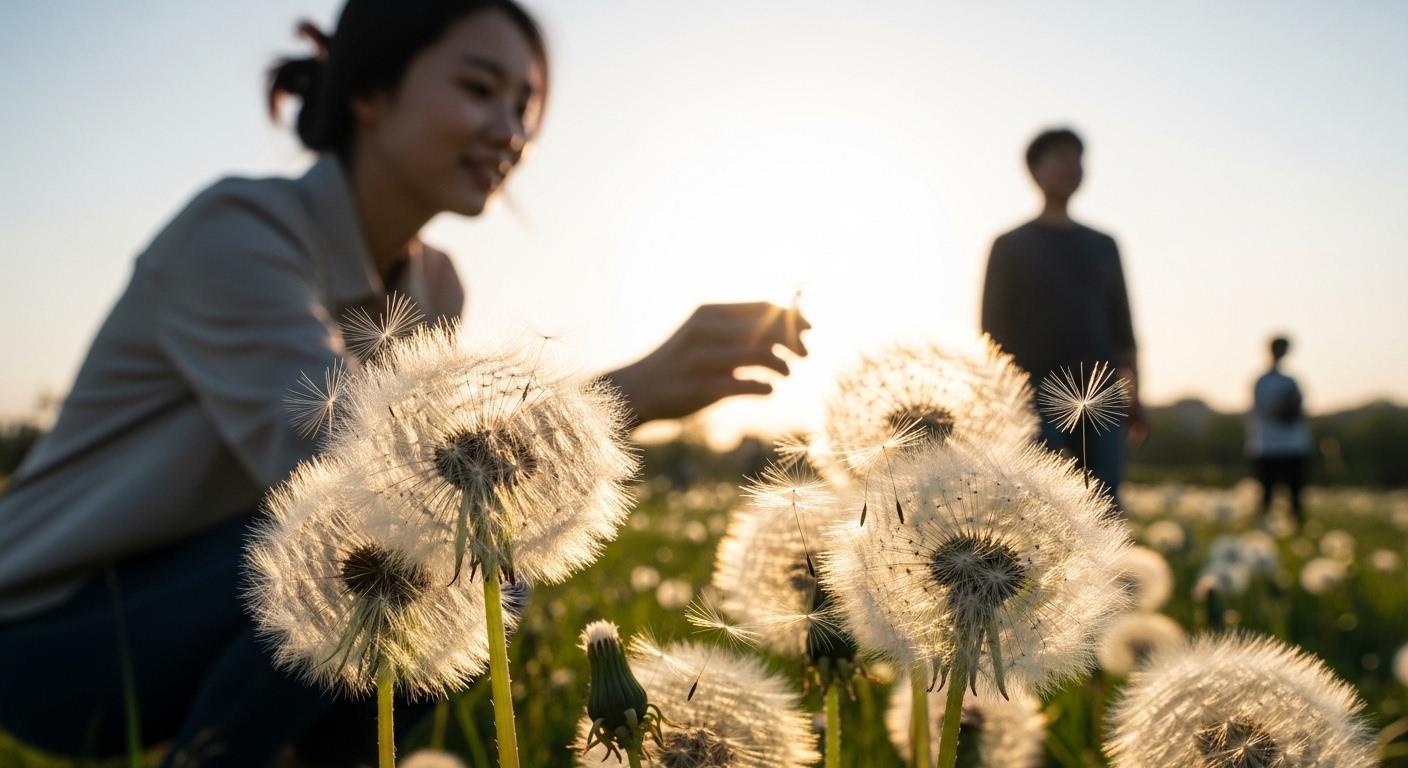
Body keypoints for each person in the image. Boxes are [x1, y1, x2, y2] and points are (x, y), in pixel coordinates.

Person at [0, 2, 809, 765]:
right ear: (369, 93)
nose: (512, 130)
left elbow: (445, 497)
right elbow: (351, 468)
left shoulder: (434, 289)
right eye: (479, 88)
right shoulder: (234, 232)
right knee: (381, 544)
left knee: (482, 563)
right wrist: (626, 395)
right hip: (48, 639)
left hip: (193, 615)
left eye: (525, 105)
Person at [981, 127, 1146, 498]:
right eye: (1061, 157)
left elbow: (1124, 328)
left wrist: (1137, 398)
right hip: (1032, 396)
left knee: (1104, 512)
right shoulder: (1009, 246)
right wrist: (997, 403)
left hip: (1103, 397)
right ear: (1035, 171)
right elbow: (990, 333)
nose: (1073, 166)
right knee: (1039, 509)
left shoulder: (1105, 245)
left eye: (1079, 158)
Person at [1247, 336, 1311, 527]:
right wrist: (1286, 405)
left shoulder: (1291, 381)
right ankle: (1264, 529)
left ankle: (1295, 528)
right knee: (1267, 494)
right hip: (1268, 445)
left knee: (1296, 495)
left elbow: (1300, 410)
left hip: (1292, 445)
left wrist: (1290, 406)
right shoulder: (1263, 381)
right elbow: (1266, 411)